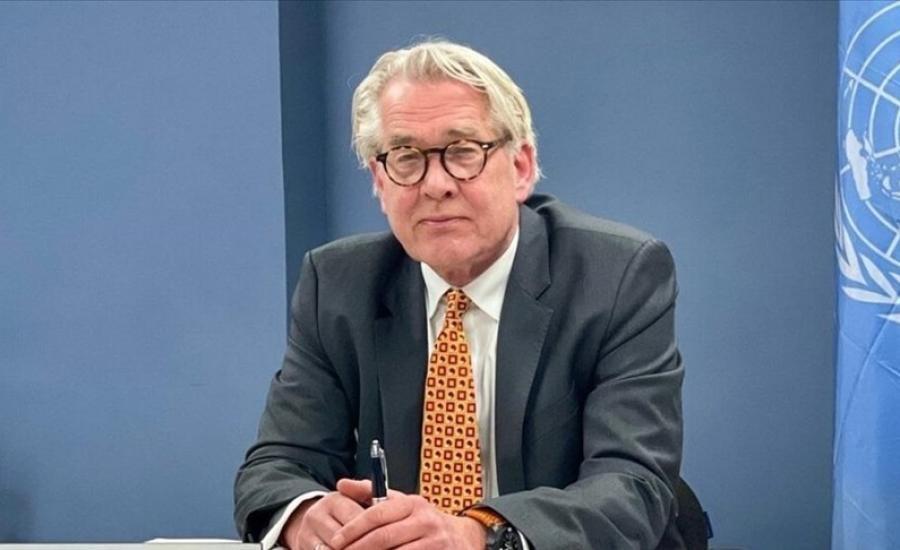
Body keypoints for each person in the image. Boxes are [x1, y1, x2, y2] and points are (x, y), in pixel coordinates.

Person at [234, 40, 684, 550]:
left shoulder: (616, 274)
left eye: (463, 152)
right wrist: (306, 513)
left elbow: (633, 485)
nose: (436, 184)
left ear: (521, 167)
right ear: (379, 181)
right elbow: (276, 466)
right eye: (406, 158)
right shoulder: (338, 284)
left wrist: (476, 534)